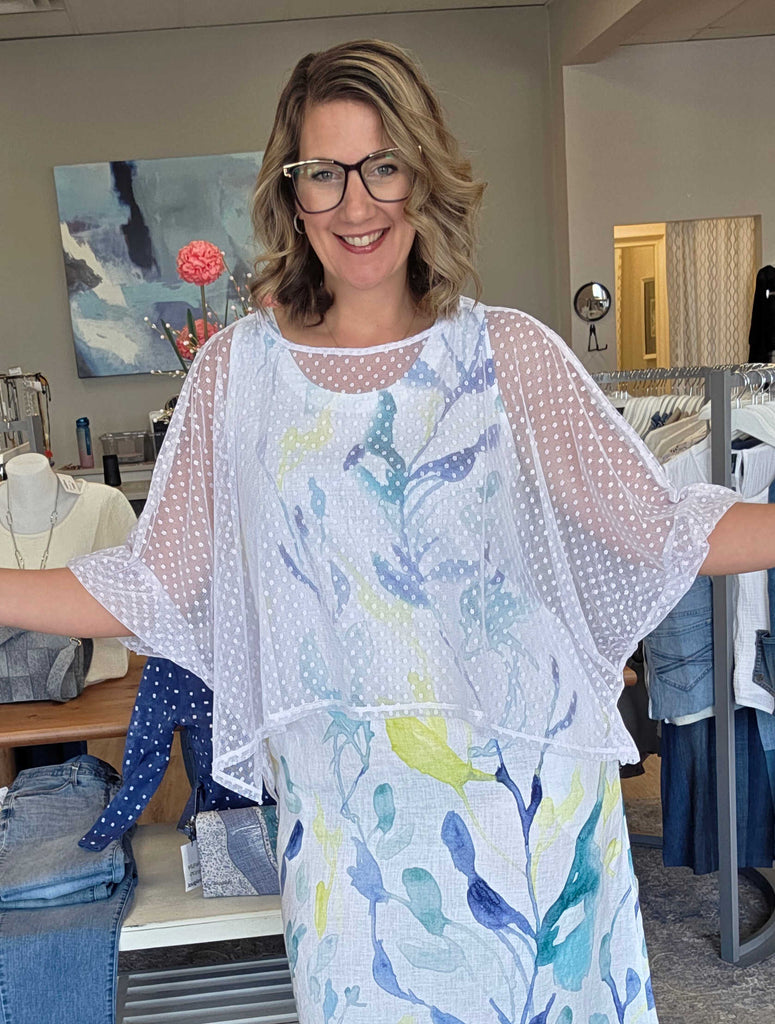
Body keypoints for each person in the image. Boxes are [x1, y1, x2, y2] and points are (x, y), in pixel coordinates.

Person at [1, 38, 774, 1024]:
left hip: (524, 802)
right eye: (323, 173)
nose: (355, 203)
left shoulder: (508, 355)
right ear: (291, 194)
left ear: (422, 175)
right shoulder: (238, 374)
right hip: (348, 819)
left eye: (382, 166)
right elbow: (151, 582)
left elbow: (657, 529)